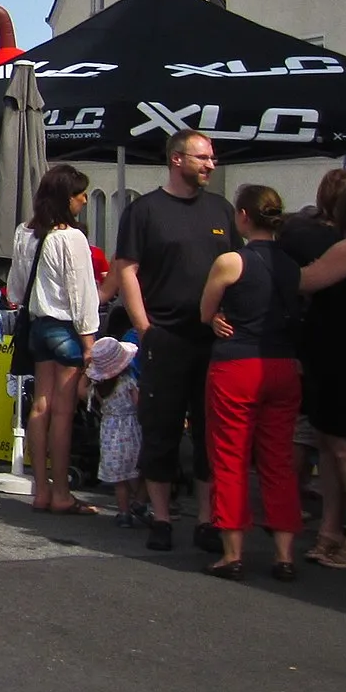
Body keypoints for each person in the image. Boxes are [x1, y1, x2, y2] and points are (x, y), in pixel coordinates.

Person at [115, 130, 237, 553]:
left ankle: (206, 520)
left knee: (210, 431)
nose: (210, 165)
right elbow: (127, 268)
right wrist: (145, 326)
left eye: (212, 159)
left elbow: (236, 269)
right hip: (164, 337)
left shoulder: (221, 210)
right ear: (176, 160)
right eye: (203, 158)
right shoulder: (145, 211)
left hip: (212, 340)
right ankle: (162, 518)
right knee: (160, 429)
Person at [199, 184, 306, 580]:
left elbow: (205, 310)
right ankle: (284, 555)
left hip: (237, 364)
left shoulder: (231, 261)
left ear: (243, 216)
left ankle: (233, 552)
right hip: (282, 364)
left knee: (230, 457)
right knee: (278, 461)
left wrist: (215, 319)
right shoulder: (291, 265)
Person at [8, 165, 102, 515]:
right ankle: (62, 491)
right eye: (80, 195)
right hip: (65, 326)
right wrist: (90, 341)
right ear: (67, 198)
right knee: (63, 412)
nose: (83, 201)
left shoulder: (25, 232)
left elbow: (15, 289)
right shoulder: (72, 237)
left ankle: (42, 489)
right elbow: (82, 294)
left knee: (40, 406)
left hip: (36, 325)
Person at [285, 170, 346, 567]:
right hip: (330, 355)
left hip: (343, 357)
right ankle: (330, 528)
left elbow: (303, 281)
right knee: (328, 445)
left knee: (343, 448)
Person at [89, 335, 145, 526]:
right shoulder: (127, 382)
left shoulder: (99, 387)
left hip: (109, 431)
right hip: (130, 429)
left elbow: (87, 399)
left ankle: (123, 513)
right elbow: (139, 404)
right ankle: (139, 502)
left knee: (120, 480)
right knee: (135, 472)